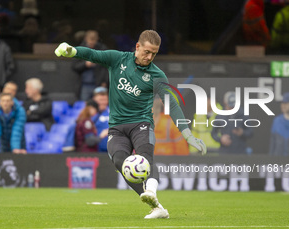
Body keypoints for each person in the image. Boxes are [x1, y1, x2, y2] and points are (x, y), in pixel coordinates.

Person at [55, 30, 207, 219]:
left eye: (154, 53)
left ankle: (151, 192)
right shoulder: (117, 59)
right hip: (117, 126)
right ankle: (158, 207)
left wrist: (187, 135)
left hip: (141, 123)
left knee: (145, 156)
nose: (149, 57)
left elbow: (172, 103)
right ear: (137, 46)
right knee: (120, 161)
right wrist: (72, 51)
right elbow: (92, 55)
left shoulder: (156, 74)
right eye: (147, 51)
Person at [72, 30, 109, 101]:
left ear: (97, 39)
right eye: (90, 40)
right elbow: (74, 66)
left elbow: (107, 67)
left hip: (98, 83)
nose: (91, 43)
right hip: (84, 84)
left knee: (100, 104)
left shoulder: (102, 49)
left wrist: (105, 81)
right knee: (84, 105)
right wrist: (85, 64)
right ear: (86, 39)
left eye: (94, 40)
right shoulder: (79, 49)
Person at [92, 87, 109, 152]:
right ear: (94, 99)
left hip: (112, 149)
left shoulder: (113, 112)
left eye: (105, 100)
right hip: (97, 151)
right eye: (100, 100)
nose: (103, 102)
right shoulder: (90, 114)